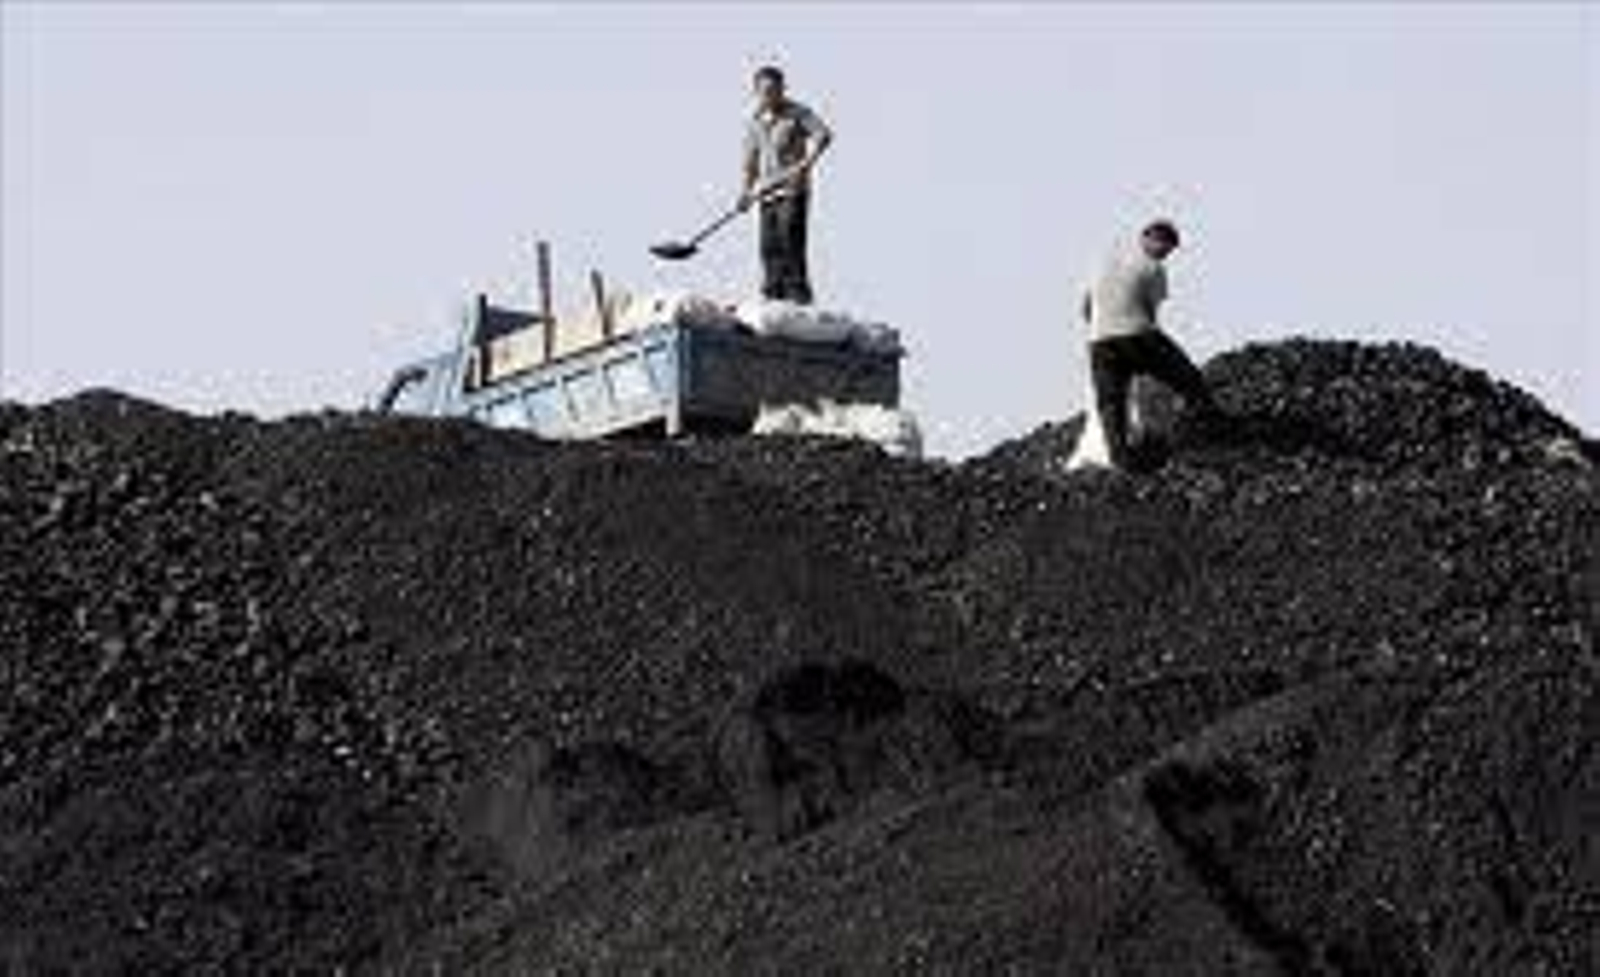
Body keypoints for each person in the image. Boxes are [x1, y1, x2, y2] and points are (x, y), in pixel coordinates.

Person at [1080, 219, 1223, 469]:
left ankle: (1122, 458)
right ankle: (1207, 425)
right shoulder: (1152, 268)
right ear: (1151, 239)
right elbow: (1150, 311)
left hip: (1099, 342)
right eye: (1165, 247)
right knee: (1187, 377)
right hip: (1137, 335)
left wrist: (1103, 330)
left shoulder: (1107, 264)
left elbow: (1085, 308)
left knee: (1111, 404)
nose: (1165, 254)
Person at [738, 65, 833, 304]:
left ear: (783, 89)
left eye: (774, 89)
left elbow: (824, 135)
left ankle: (798, 298)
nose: (770, 95)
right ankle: (772, 297)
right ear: (757, 92)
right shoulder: (755, 122)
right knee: (768, 248)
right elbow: (750, 163)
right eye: (765, 91)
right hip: (767, 193)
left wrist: (806, 164)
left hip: (793, 189)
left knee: (790, 242)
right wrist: (745, 193)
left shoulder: (798, 113)